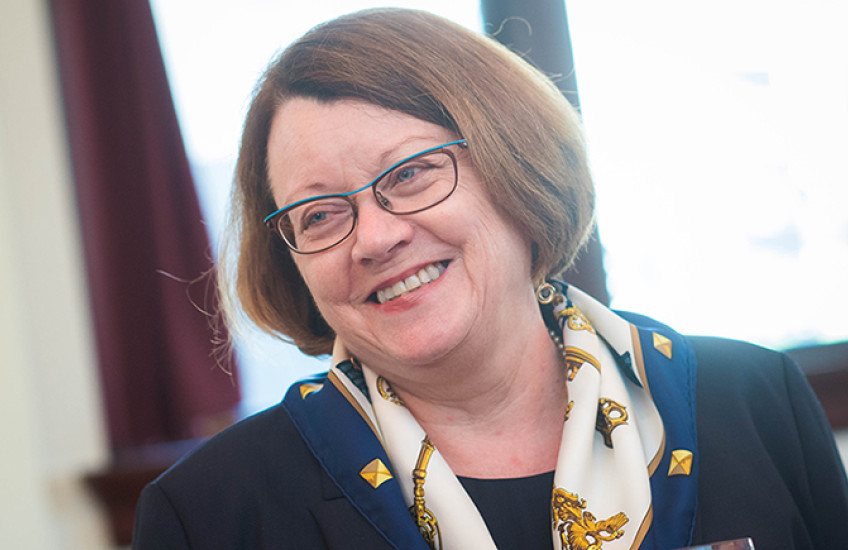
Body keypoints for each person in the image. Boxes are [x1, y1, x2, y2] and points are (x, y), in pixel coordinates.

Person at [132, 8, 848, 550]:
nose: (376, 238)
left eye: (410, 174)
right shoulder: (211, 513)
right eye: (319, 215)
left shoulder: (756, 401)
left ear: (516, 169)